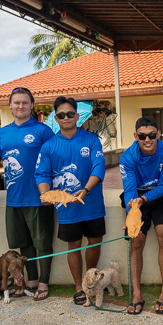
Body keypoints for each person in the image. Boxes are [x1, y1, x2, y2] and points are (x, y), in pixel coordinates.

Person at [36, 96, 106, 305]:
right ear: (55, 118)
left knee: (94, 242)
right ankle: (79, 288)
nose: (66, 118)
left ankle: (90, 283)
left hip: (92, 203)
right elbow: (41, 174)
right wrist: (46, 194)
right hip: (66, 207)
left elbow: (99, 167)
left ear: (77, 116)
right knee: (74, 247)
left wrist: (85, 190)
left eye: (70, 114)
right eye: (60, 115)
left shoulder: (91, 140)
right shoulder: (49, 146)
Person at [0, 87, 55, 301]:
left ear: (32, 105)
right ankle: (30, 279)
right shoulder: (3, 133)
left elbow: (53, 159)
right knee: (24, 242)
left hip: (38, 197)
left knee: (42, 242)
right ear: (10, 105)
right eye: (16, 102)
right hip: (13, 198)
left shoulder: (43, 131)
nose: (20, 106)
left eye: (25, 102)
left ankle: (44, 281)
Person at [120, 116, 163, 315]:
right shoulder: (127, 157)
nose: (147, 139)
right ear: (136, 136)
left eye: (152, 135)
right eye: (143, 136)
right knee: (136, 240)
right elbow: (129, 191)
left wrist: (143, 200)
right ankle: (136, 294)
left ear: (158, 134)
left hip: (160, 197)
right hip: (136, 200)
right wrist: (131, 217)